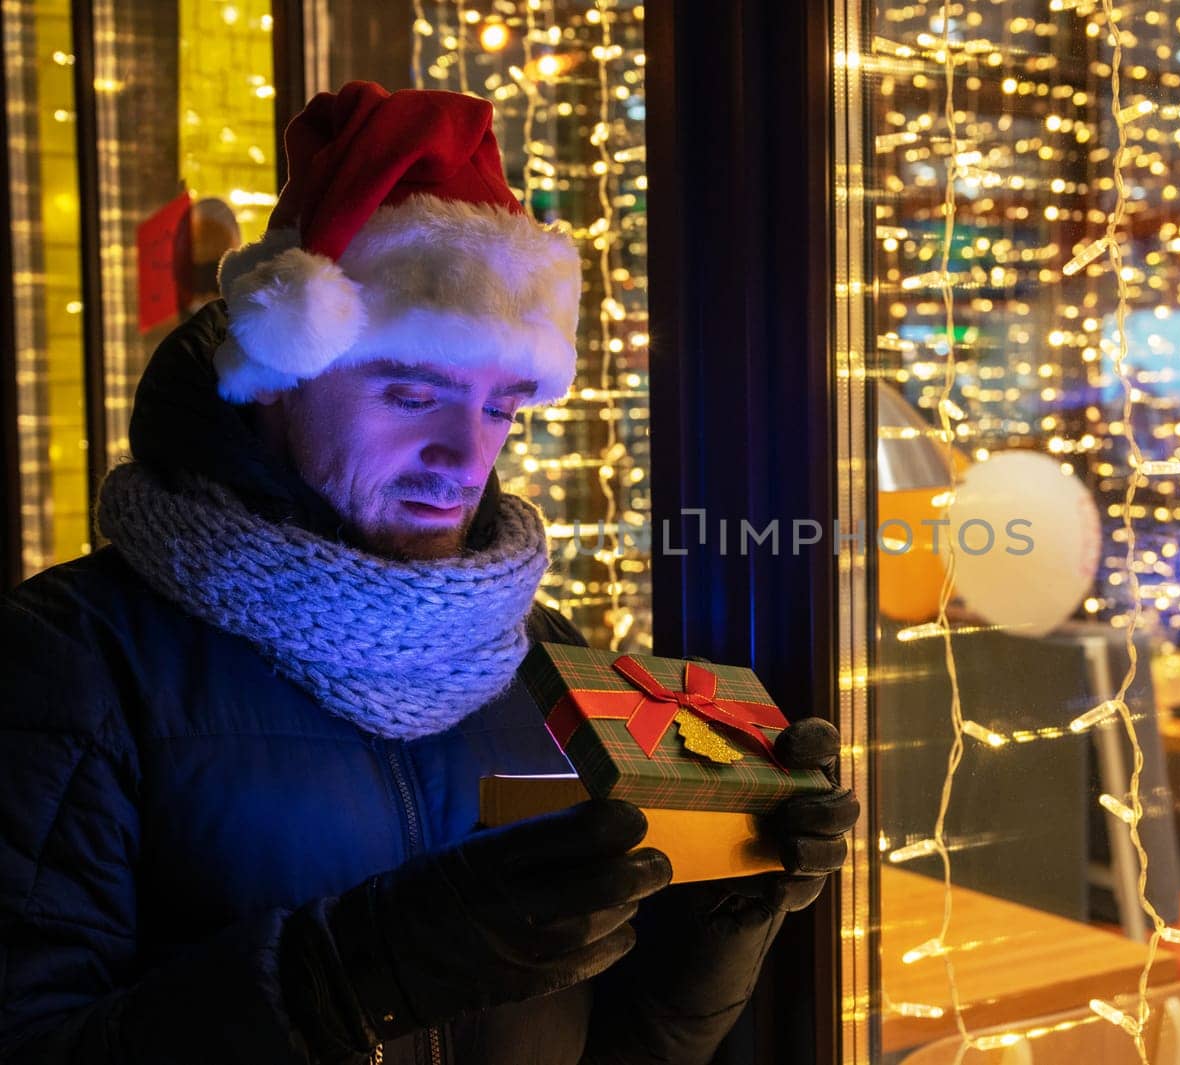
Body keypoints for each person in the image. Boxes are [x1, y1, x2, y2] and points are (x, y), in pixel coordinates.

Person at [0, 81, 857, 1065]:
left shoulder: (545, 657)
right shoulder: (73, 663)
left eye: (501, 408)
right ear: (279, 381)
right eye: (413, 392)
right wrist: (347, 982)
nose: (465, 454)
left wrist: (702, 945)